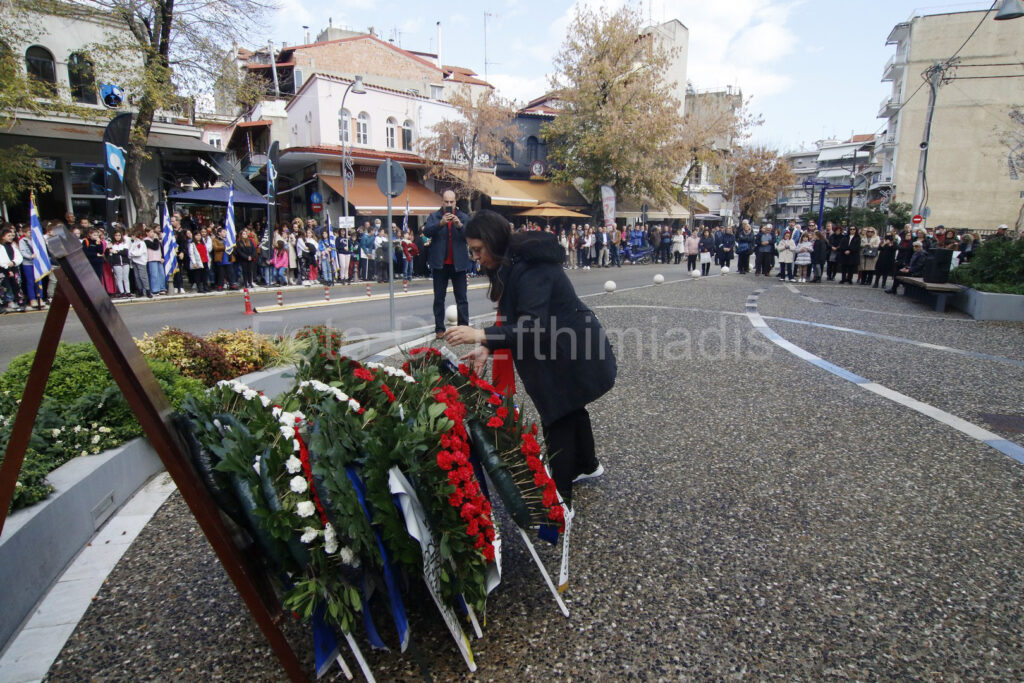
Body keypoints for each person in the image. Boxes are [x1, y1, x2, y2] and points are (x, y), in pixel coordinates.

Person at [445, 210, 617, 508]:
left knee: (558, 414)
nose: (475, 258)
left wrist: (480, 335)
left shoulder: (530, 267)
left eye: (477, 250)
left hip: (570, 350)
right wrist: (488, 346)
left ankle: (558, 504)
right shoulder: (514, 261)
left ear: (492, 241)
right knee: (571, 408)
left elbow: (530, 326)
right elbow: (517, 317)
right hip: (561, 347)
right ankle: (588, 466)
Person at [424, 190, 470, 337]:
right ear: (442, 202)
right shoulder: (434, 216)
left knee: (461, 298)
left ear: (455, 202)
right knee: (439, 298)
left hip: (459, 264)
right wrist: (440, 223)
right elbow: (426, 232)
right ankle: (439, 328)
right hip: (440, 264)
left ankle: (463, 328)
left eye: (452, 202)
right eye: (446, 202)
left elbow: (470, 236)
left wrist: (460, 226)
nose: (449, 204)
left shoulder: (463, 217)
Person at [0, 224, 27, 312]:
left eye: (12, 235)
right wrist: (7, 267)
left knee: (17, 286)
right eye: (9, 236)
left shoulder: (13, 246)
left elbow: (19, 257)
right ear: (3, 237)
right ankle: (3, 305)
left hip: (13, 268)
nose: (11, 237)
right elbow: (1, 259)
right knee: (3, 288)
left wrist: (14, 262)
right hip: (3, 269)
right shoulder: (1, 247)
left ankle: (21, 303)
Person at [107, 228, 132, 298]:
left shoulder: (124, 243)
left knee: (126, 277)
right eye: (116, 235)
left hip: (125, 263)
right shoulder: (111, 244)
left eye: (119, 235)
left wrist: (117, 252)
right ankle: (122, 292)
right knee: (119, 278)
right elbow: (109, 253)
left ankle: (128, 291)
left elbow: (125, 253)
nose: (117, 237)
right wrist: (110, 249)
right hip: (116, 263)